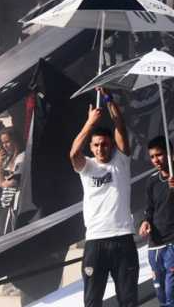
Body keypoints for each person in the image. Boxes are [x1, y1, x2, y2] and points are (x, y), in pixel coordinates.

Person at [69, 89, 136, 307]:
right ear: (91, 147)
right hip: (95, 241)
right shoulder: (87, 166)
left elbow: (121, 127)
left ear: (112, 145)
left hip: (123, 238)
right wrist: (90, 123)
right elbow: (73, 154)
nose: (100, 148)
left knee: (128, 300)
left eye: (105, 144)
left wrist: (108, 99)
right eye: (96, 144)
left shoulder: (121, 161)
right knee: (92, 301)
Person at [141, 136, 174, 307]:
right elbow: (149, 208)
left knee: (171, 294)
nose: (156, 160)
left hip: (172, 245)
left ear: (171, 154)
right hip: (154, 245)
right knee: (161, 294)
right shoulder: (152, 181)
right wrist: (145, 222)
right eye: (152, 156)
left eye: (159, 155)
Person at [0, 127, 25, 234]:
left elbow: (11, 183)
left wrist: (3, 182)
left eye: (7, 142)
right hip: (7, 205)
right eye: (3, 143)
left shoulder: (22, 157)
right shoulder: (8, 159)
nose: (5, 146)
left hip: (18, 205)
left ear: (15, 140)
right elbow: (0, 183)